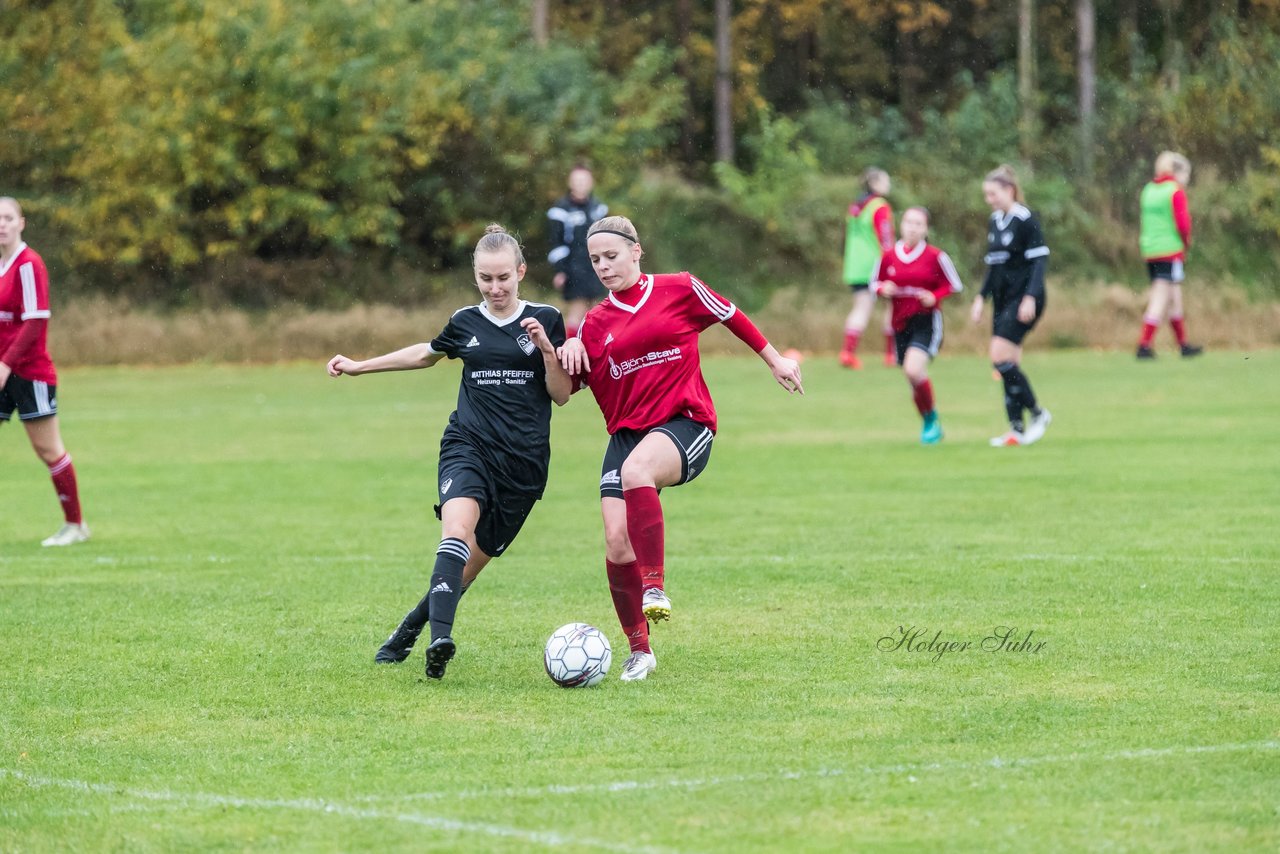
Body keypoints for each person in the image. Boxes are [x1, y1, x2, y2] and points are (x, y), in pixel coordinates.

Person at [557, 216, 804, 682]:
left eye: (612, 256)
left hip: (685, 423)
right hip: (627, 436)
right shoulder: (593, 325)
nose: (604, 267)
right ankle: (640, 652)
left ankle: (655, 589)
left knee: (636, 472)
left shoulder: (680, 289)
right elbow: (563, 391)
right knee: (615, 540)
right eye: (595, 261)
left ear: (637, 251)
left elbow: (731, 314)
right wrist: (561, 352)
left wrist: (775, 359)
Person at [327, 224, 570, 680]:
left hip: (524, 467)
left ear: (521, 272)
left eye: (503, 278)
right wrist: (360, 367)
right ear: (475, 276)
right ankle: (441, 640)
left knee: (465, 572)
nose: (495, 288)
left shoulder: (547, 318)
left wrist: (546, 351)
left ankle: (410, 628)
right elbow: (426, 353)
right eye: (485, 278)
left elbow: (561, 395)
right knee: (455, 531)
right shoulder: (465, 322)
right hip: (468, 446)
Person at [0, 196, 89, 547]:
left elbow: (36, 321)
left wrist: (6, 364)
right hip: (3, 370)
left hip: (29, 372)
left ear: (21, 223)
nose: (1, 224)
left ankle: (76, 525)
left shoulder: (29, 264)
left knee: (48, 450)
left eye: (8, 218)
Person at [968, 165, 1053, 447]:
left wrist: (1030, 296)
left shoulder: (1026, 219)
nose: (989, 199)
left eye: (992, 193)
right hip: (1003, 300)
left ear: (1009, 190)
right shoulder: (995, 220)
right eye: (986, 195)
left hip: (1025, 298)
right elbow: (994, 268)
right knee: (1009, 363)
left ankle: (1038, 414)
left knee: (999, 357)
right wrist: (981, 298)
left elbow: (1039, 262)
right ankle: (1016, 429)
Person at [871, 207, 965, 444]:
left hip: (926, 321)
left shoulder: (935, 256)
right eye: (909, 222)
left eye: (918, 224)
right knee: (911, 377)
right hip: (900, 323)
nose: (912, 227)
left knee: (913, 370)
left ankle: (931, 418)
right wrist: (884, 289)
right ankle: (929, 421)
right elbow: (874, 283)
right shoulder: (889, 256)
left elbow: (953, 285)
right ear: (901, 226)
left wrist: (935, 296)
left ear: (925, 229)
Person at [1136, 151, 1202, 359]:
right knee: (1161, 297)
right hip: (1170, 250)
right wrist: (1186, 242)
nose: (1186, 180)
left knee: (1174, 297)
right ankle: (1144, 345)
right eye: (1186, 174)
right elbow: (1183, 223)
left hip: (1150, 250)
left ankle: (1183, 344)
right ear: (1176, 172)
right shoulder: (1174, 191)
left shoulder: (1148, 190)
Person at [839, 167, 896, 369]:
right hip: (875, 263)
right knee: (892, 304)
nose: (889, 184)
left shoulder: (856, 206)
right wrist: (892, 261)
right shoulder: (879, 206)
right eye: (885, 180)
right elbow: (885, 236)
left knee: (861, 307)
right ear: (875, 183)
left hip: (854, 264)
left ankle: (847, 353)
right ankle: (891, 354)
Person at [547, 165, 609, 337]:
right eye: (577, 181)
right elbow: (556, 243)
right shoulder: (561, 209)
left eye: (584, 180)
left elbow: (607, 239)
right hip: (573, 269)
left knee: (599, 312)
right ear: (570, 183)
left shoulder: (598, 208)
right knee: (577, 311)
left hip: (596, 268)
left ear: (591, 183)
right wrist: (560, 270)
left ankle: (595, 354)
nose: (581, 184)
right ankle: (569, 353)